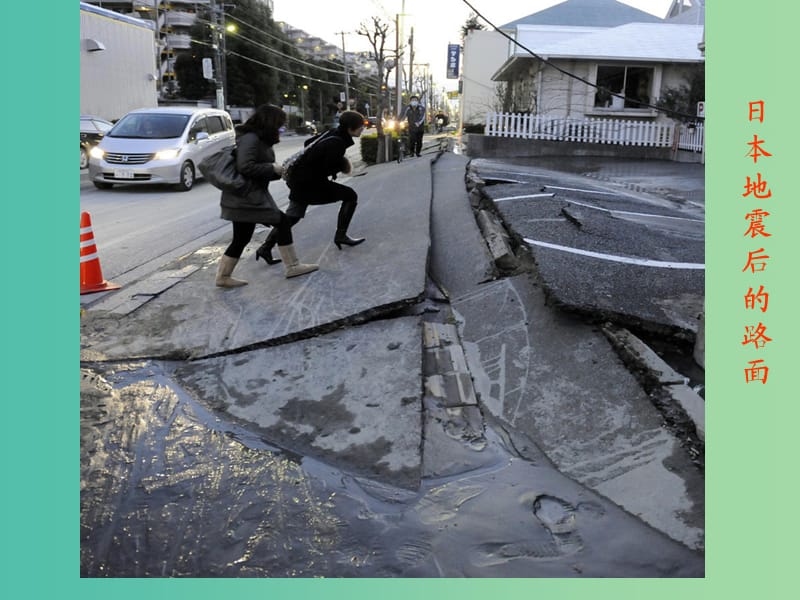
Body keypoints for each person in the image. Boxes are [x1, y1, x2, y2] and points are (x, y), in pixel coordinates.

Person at [216, 104, 318, 287]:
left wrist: (278, 172)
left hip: (245, 197)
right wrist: (273, 168)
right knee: (283, 221)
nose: (282, 127)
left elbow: (254, 168)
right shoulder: (251, 139)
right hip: (248, 198)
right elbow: (245, 167)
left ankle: (223, 277)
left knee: (241, 237)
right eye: (280, 123)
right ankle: (292, 266)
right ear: (270, 122)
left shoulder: (256, 138)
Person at [255, 110, 366, 260]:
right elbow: (327, 166)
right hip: (309, 183)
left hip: (300, 180)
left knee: (293, 216)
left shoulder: (332, 133)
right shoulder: (337, 142)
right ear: (350, 128)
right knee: (350, 196)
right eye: (360, 127)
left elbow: (308, 143)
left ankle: (265, 248)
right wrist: (340, 165)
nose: (362, 129)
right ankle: (341, 236)